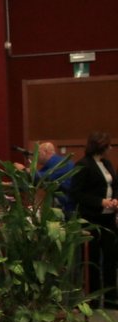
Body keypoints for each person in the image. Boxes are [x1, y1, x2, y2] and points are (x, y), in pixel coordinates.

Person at [71, 131, 118, 308]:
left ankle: (111, 298)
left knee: (111, 258)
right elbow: (76, 193)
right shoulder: (83, 165)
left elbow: (115, 185)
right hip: (91, 219)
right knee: (92, 259)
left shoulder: (107, 163)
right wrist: (100, 202)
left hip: (108, 219)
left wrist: (115, 199)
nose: (110, 148)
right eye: (108, 145)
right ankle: (93, 299)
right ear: (100, 146)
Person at [16, 141, 75, 214]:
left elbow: (43, 178)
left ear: (45, 152)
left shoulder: (60, 163)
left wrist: (23, 169)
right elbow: (35, 180)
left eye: (38, 153)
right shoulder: (54, 163)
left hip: (66, 205)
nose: (36, 156)